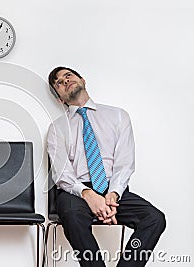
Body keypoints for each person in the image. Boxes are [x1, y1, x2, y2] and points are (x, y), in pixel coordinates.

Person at [46, 66, 166, 267]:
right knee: (72, 216)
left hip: (113, 189)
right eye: (59, 82)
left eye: (69, 76)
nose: (65, 81)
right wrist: (88, 195)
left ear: (83, 80)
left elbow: (125, 163)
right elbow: (61, 173)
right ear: (59, 98)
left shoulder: (118, 116)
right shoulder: (57, 128)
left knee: (154, 218)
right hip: (76, 192)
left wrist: (112, 195)